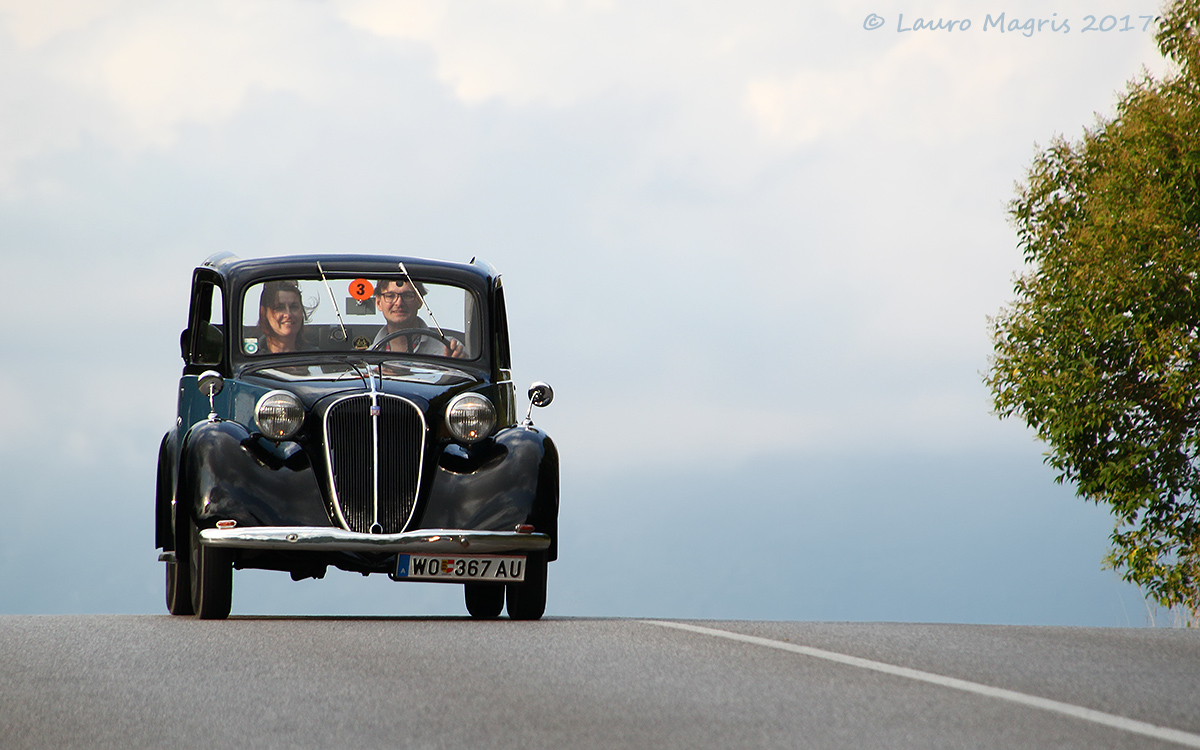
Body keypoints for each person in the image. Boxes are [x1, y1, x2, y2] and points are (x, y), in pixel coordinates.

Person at [372, 279, 465, 357]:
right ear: (378, 303)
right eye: (390, 296)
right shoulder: (368, 358)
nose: (399, 303)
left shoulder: (448, 350)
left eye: (407, 296)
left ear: (420, 301)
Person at [257, 280, 307, 353]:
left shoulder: (317, 357)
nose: (288, 314)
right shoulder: (250, 356)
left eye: (293, 307)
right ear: (264, 314)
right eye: (279, 308)